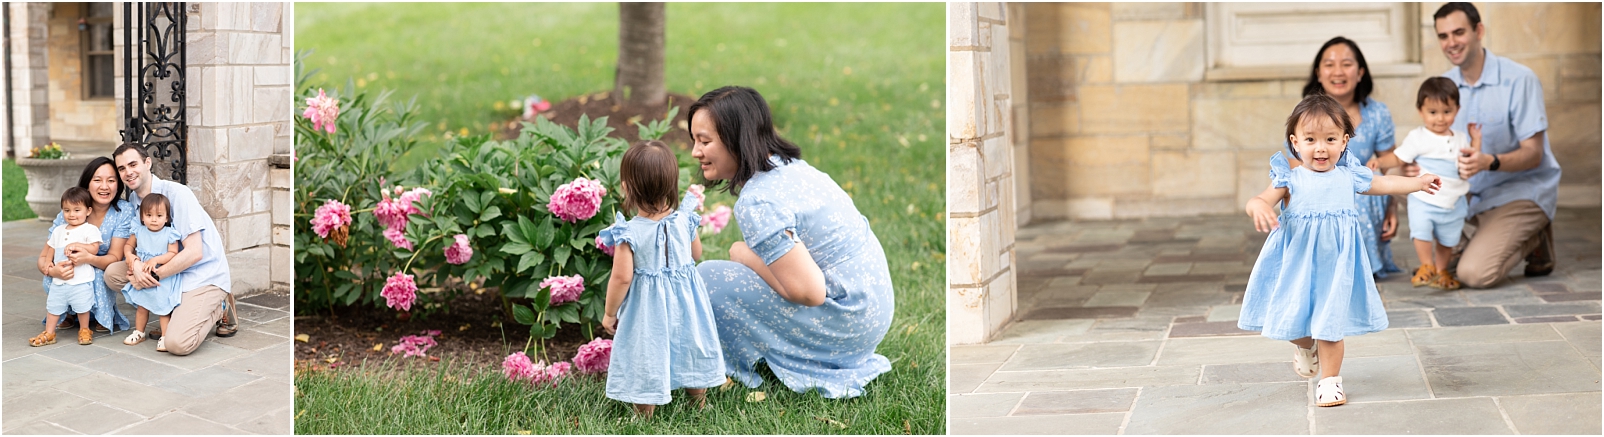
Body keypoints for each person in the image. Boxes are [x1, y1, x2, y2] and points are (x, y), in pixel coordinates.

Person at [691, 86, 894, 399]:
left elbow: (810, 293)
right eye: (695, 141)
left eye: (705, 141)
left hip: (847, 325)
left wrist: (743, 255)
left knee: (707, 278)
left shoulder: (758, 201)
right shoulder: (794, 170)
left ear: (736, 138)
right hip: (871, 312)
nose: (695, 152)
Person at [1240, 95, 1441, 407]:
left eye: (1330, 139)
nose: (1321, 148)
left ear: (1344, 141)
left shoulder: (1349, 175)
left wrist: (1418, 182)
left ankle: (1331, 381)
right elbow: (1260, 199)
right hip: (1298, 263)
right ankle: (1305, 347)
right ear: (1295, 142)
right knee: (1295, 321)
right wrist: (1257, 208)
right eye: (1310, 140)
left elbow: (1384, 184)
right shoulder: (1289, 178)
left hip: (1336, 265)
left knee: (1330, 324)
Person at [1419, 2, 1562, 288]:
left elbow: (1533, 155)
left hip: (1519, 192)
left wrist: (1489, 161)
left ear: (1479, 30)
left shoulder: (1519, 80)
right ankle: (1457, 244)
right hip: (1471, 194)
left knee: (1475, 274)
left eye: (1459, 32)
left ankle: (1534, 236)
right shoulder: (1443, 85)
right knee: (1403, 180)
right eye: (1443, 36)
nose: (1451, 43)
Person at [596, 140, 726, 418]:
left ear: (626, 187)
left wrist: (609, 313)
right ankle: (698, 403)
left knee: (647, 352)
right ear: (671, 186)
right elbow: (696, 253)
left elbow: (621, 278)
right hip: (687, 302)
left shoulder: (628, 233)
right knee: (691, 343)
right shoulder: (684, 220)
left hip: (648, 308)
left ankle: (644, 412)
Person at [1289, 36, 1403, 278]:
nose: (1338, 71)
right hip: (1318, 192)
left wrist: (1392, 208)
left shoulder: (1377, 112)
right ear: (1318, 73)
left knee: (1365, 180)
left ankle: (1359, 266)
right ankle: (1323, 263)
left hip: (1364, 191)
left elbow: (1391, 163)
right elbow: (1294, 166)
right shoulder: (1305, 114)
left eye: (1347, 64)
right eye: (1329, 64)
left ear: (1360, 72)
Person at [105, 143, 233, 356]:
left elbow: (194, 252)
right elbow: (139, 243)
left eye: (133, 164)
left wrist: (151, 276)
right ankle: (171, 309)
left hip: (200, 276)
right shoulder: (135, 200)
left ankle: (221, 306)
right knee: (112, 274)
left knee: (178, 344)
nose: (128, 172)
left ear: (148, 163)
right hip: (167, 274)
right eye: (121, 168)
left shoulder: (178, 194)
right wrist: (135, 265)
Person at [1377, 77, 1480, 290]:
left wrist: (1475, 139)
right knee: (1421, 229)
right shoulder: (1418, 137)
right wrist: (1379, 161)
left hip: (1453, 199)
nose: (1440, 119)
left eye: (1447, 111)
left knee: (1448, 239)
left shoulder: (1460, 137)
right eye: (1433, 112)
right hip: (1426, 197)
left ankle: (1441, 270)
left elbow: (1472, 156)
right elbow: (1399, 157)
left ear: (1457, 110)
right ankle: (1426, 265)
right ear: (1421, 111)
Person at [36, 157, 134, 335]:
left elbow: (114, 258)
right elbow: (44, 257)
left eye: (111, 181)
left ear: (118, 185)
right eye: (97, 180)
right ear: (87, 184)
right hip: (67, 270)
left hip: (101, 266)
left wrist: (88, 258)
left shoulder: (123, 210)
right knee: (55, 276)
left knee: (95, 275)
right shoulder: (70, 211)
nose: (104, 186)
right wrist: (52, 270)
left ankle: (100, 315)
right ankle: (68, 312)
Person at [30, 188, 103, 346]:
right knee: (54, 306)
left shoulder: (89, 229)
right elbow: (51, 247)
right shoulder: (58, 230)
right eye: (67, 210)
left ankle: (84, 329)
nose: (72, 214)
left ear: (88, 210)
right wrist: (49, 262)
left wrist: (78, 245)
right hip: (59, 280)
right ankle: (50, 332)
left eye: (77, 210)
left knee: (83, 306)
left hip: (81, 279)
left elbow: (94, 248)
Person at [120, 193, 186, 350]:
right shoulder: (139, 231)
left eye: (159, 215)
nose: (154, 219)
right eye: (149, 215)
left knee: (163, 309)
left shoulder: (169, 234)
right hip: (142, 272)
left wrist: (156, 260)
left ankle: (164, 336)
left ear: (167, 218)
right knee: (142, 306)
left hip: (162, 276)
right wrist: (130, 256)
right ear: (142, 217)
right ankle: (139, 332)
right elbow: (128, 246)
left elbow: (173, 253)